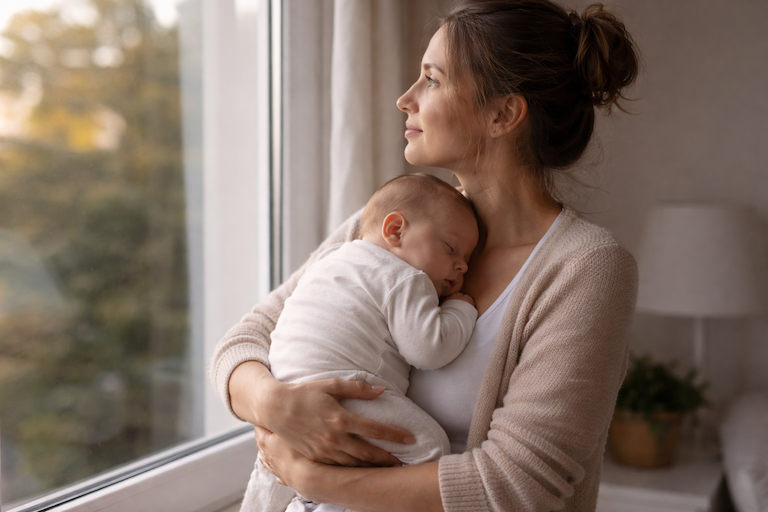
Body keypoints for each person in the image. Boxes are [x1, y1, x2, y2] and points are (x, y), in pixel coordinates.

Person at [210, 0, 640, 510]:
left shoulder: (587, 269)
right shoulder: (401, 224)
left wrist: (309, 475)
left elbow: (519, 485)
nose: (404, 99)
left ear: (503, 114)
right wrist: (275, 404)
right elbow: (244, 341)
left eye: (432, 80)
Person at [251, 173, 480, 512]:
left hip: (285, 382)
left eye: (467, 260)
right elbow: (429, 349)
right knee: (429, 448)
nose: (461, 266)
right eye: (450, 248)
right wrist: (461, 308)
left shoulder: (333, 257)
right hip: (345, 387)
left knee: (270, 467)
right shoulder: (406, 277)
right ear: (395, 230)